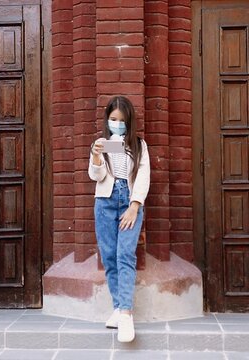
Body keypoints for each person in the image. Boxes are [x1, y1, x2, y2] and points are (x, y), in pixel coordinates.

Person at [88, 96, 150, 342]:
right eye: (113, 119)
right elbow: (97, 175)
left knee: (126, 255)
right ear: (107, 119)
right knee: (110, 257)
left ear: (129, 121)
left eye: (122, 120)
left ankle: (126, 313)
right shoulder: (103, 143)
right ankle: (117, 307)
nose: (117, 124)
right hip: (105, 203)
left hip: (129, 203)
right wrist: (95, 157)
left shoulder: (138, 144)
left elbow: (144, 175)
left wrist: (135, 206)